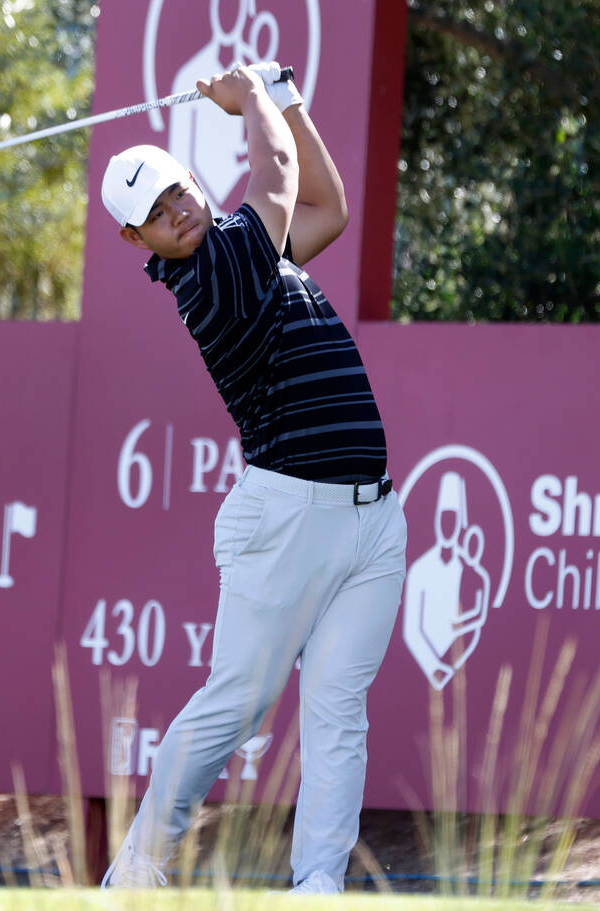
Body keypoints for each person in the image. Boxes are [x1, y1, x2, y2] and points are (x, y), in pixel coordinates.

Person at [98, 62, 408, 895]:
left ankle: (317, 887)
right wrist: (254, 99)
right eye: (156, 216)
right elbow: (276, 178)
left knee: (339, 712)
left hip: (371, 519)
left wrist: (292, 102)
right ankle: (137, 871)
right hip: (288, 517)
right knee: (237, 701)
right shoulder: (215, 269)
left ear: (192, 181)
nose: (177, 212)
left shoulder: (252, 252)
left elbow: (326, 208)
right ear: (140, 243)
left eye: (178, 194)